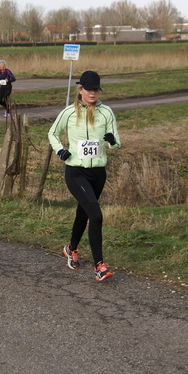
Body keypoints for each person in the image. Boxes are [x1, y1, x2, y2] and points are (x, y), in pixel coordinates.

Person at [48, 71, 121, 281]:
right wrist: (60, 151)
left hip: (98, 173)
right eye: (89, 89)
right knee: (96, 215)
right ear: (80, 90)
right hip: (76, 171)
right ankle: (99, 266)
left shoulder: (106, 112)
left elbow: (117, 143)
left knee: (84, 212)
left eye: (96, 89)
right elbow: (52, 133)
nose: (93, 93)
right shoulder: (69, 112)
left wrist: (111, 140)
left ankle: (71, 248)